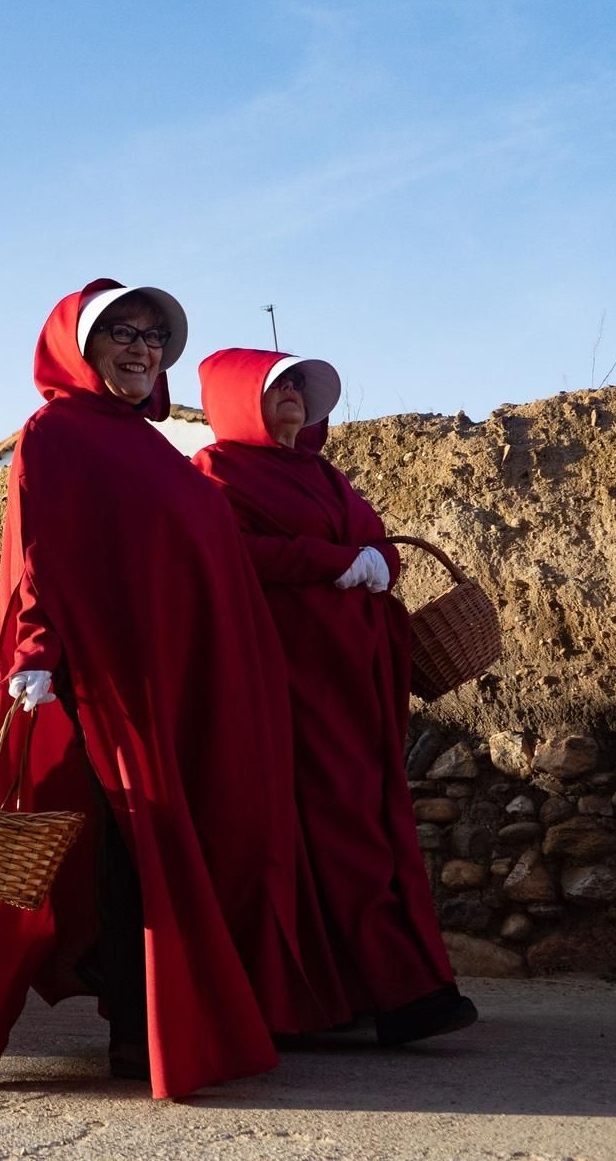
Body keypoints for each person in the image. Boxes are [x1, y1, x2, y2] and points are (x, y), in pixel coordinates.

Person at [0, 280, 346, 1099]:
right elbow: (45, 551)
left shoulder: (151, 445)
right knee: (134, 842)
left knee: (172, 836)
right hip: (110, 675)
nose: (142, 346)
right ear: (81, 348)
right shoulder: (55, 434)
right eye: (122, 331)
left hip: (178, 670)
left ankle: (178, 1011)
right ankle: (138, 1026)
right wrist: (40, 651)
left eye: (154, 335)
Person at [193, 347, 477, 1046]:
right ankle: (404, 991)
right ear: (236, 398)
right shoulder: (214, 472)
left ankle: (346, 992)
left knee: (369, 817)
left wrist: (381, 561)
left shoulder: (324, 473)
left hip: (356, 676)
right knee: (338, 822)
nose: (290, 393)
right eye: (274, 384)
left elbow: (377, 543)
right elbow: (231, 553)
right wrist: (338, 562)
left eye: (296, 384)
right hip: (290, 676)